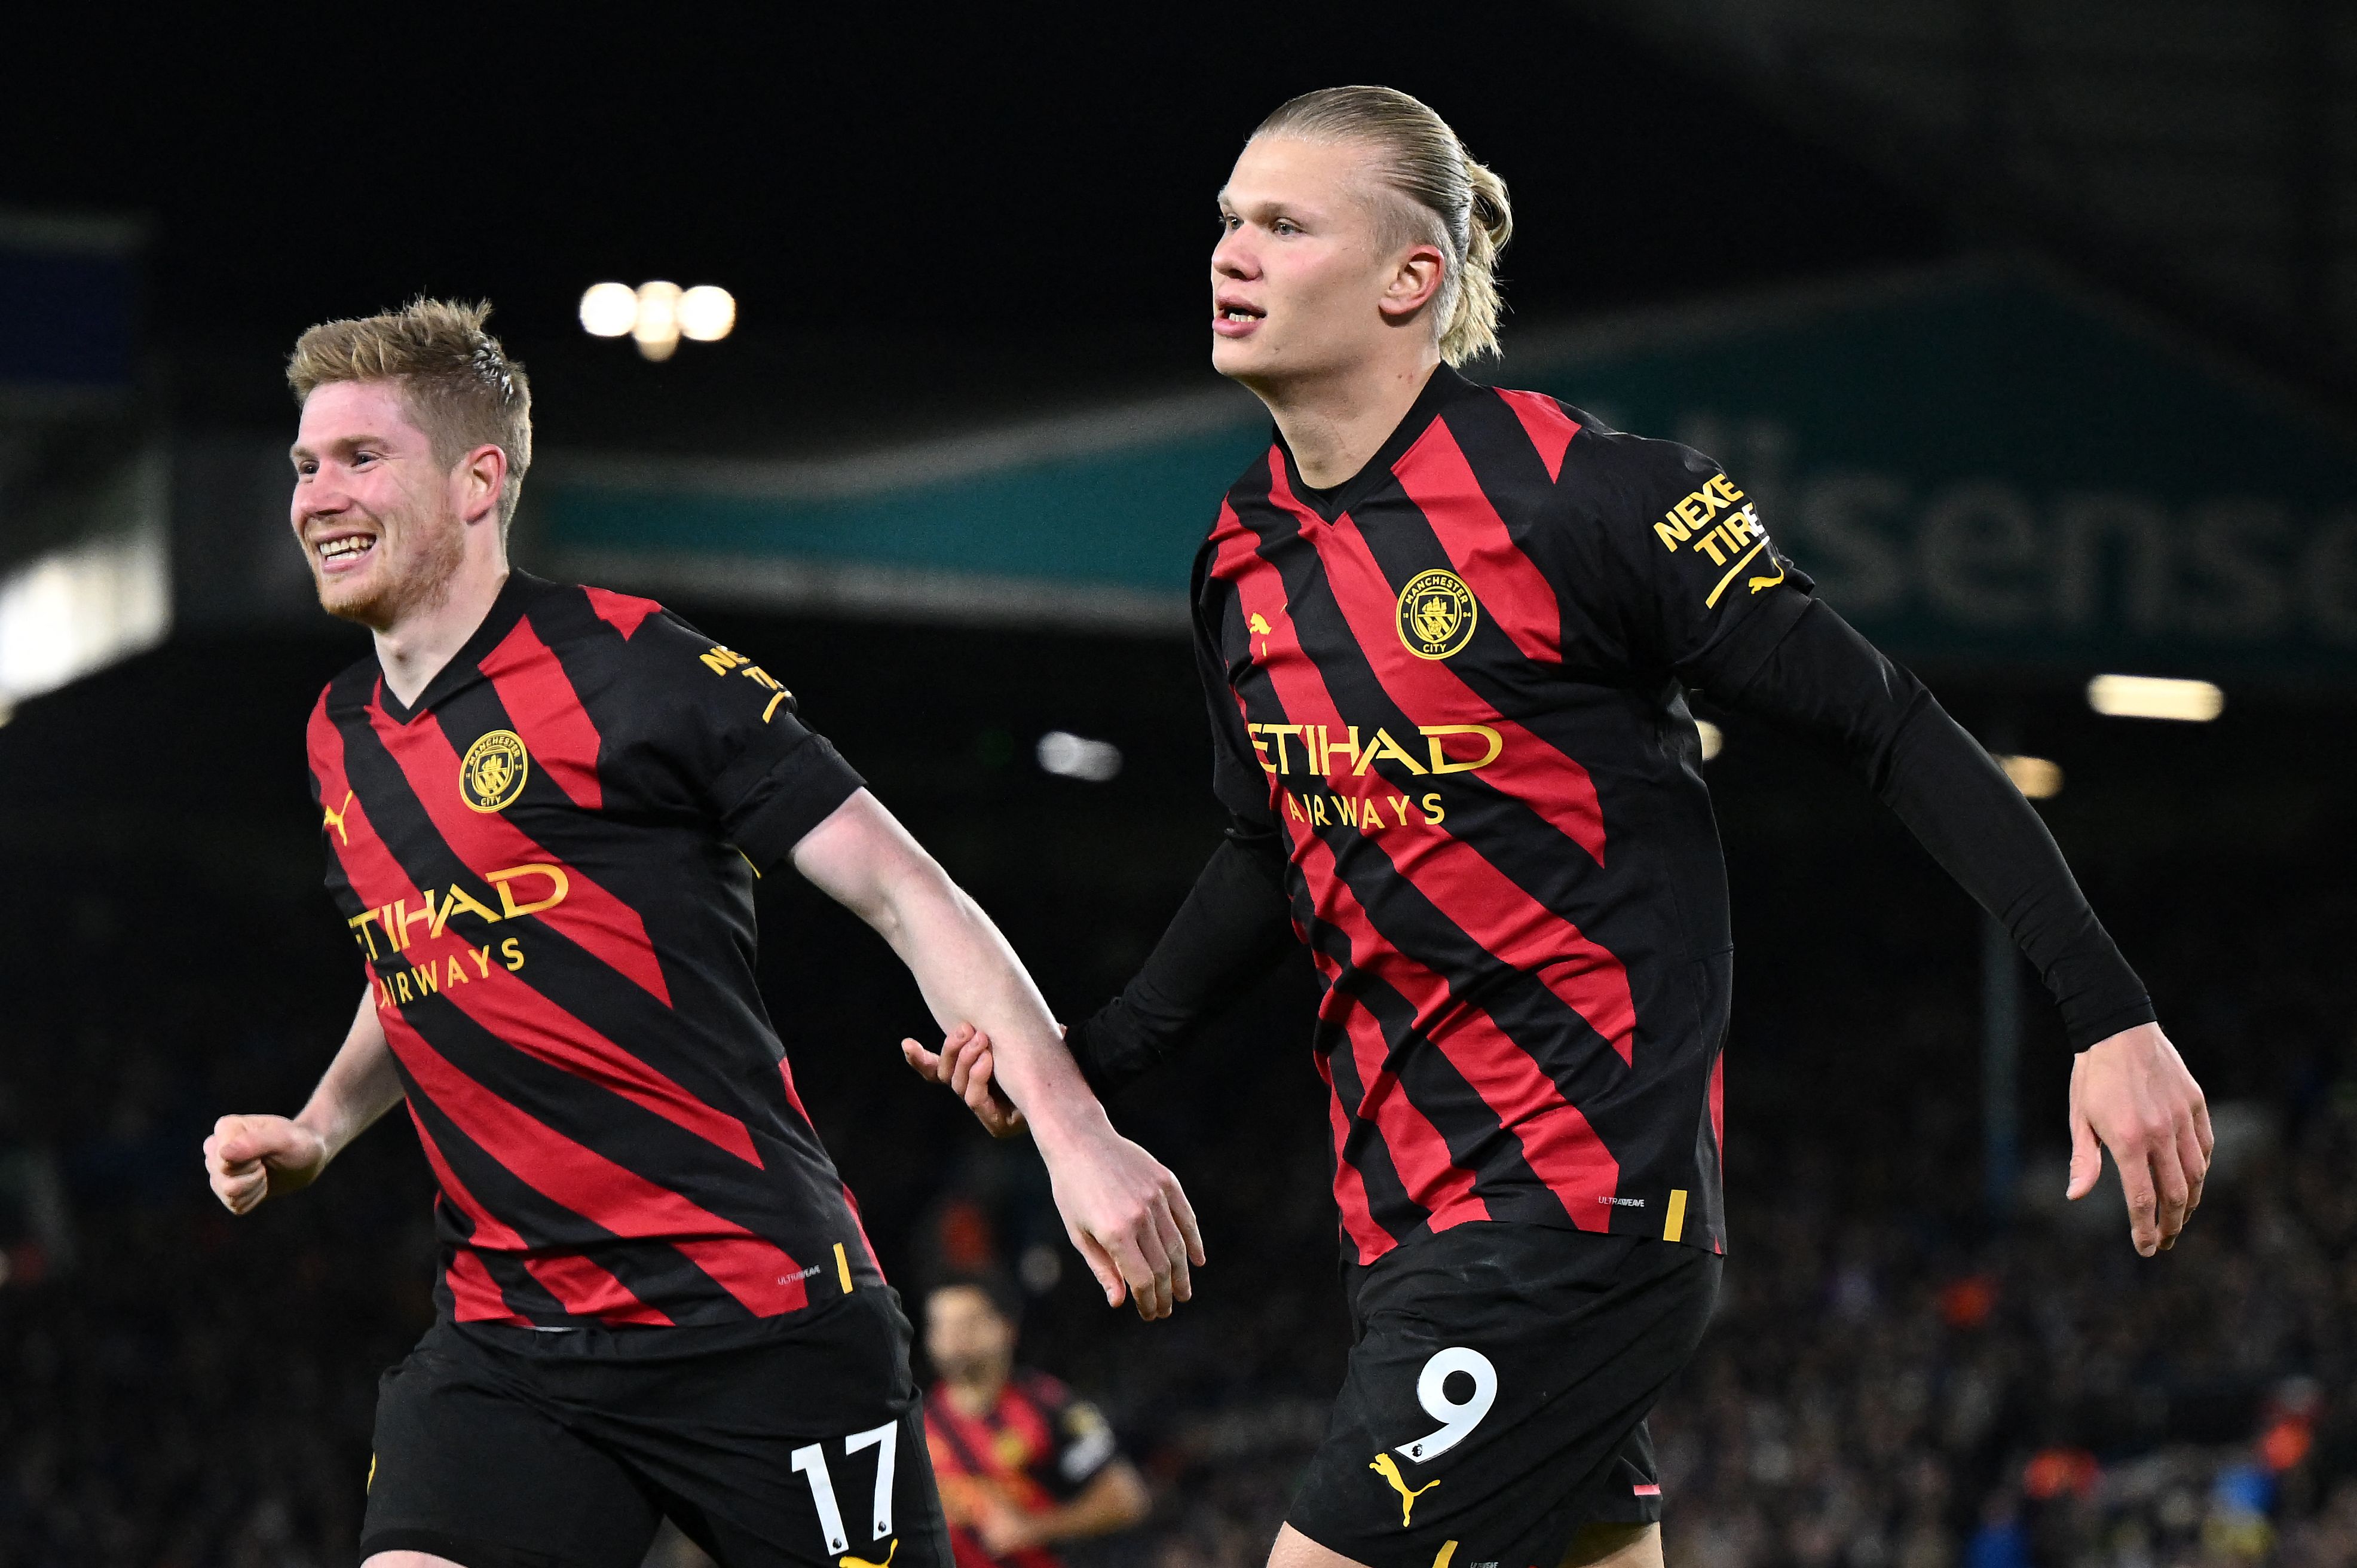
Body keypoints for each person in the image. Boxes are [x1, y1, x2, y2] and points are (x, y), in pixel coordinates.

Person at [904, 86, 2212, 1568]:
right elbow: (1277, 850)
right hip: (1404, 1223)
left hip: (1573, 1212)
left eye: (1281, 222)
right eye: (1224, 221)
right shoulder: (1236, 555)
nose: (1231, 252)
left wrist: (2106, 1012)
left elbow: (1886, 722)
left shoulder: (1587, 497)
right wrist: (1090, 1057)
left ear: (1413, 279)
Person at [200, 299, 1204, 1568]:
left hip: (760, 1321)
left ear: (477, 482)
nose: (317, 494)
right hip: (513, 1338)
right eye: (303, 464)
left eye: (358, 459)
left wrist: (1076, 1136)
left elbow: (909, 890)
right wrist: (321, 1126)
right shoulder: (336, 735)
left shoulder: (639, 669)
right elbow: (420, 959)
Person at [921, 1273, 1151, 1566]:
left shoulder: (1048, 1405)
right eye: (941, 1326)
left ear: (1006, 1328)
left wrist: (1034, 1529)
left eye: (968, 1324)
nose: (954, 1339)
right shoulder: (914, 1425)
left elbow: (1126, 1499)